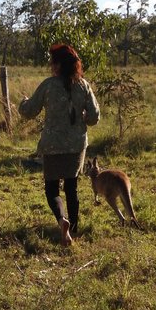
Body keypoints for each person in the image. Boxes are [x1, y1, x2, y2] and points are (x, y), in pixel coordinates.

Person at [19, 43, 100, 246]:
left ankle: (61, 219)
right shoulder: (83, 85)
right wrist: (83, 118)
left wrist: (23, 102)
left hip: (53, 145)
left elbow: (29, 111)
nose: (50, 65)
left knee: (52, 190)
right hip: (76, 145)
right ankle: (73, 228)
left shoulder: (48, 85)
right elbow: (94, 117)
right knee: (71, 188)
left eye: (52, 62)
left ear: (58, 65)